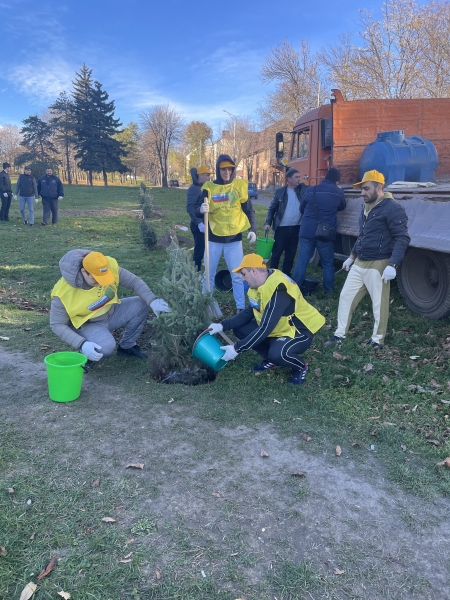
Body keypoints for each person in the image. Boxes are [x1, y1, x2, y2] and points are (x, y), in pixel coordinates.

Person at [207, 254, 325, 385]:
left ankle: (300, 366)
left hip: (298, 332)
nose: (242, 279)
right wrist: (222, 326)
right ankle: (270, 359)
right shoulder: (259, 284)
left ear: (254, 271)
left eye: (244, 274)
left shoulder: (279, 290)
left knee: (278, 354)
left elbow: (265, 328)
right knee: (240, 329)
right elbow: (249, 312)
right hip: (278, 328)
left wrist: (236, 349)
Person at [325, 170, 410, 349]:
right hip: (359, 263)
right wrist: (351, 257)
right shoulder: (366, 207)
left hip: (378, 264)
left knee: (379, 305)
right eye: (361, 189)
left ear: (379, 188)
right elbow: (362, 235)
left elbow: (402, 237)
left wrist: (393, 264)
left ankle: (377, 340)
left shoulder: (392, 208)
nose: (362, 193)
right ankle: (339, 335)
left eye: (365, 189)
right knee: (345, 297)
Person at [50, 249, 171, 362]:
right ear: (83, 272)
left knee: (143, 303)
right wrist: (81, 343)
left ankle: (127, 346)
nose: (100, 283)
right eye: (95, 279)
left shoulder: (108, 266)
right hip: (88, 324)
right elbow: (57, 324)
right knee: (106, 347)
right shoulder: (63, 293)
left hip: (111, 312)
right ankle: (86, 351)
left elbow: (134, 281)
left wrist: (152, 300)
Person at [198, 154, 257, 311]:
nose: (227, 173)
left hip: (234, 240)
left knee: (237, 276)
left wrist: (252, 229)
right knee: (208, 275)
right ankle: (206, 306)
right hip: (213, 239)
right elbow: (197, 210)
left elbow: (249, 210)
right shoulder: (209, 187)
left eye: (230, 169)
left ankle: (240, 308)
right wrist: (200, 210)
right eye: (223, 169)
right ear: (218, 169)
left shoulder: (239, 186)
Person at [293, 167, 346, 294]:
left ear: (325, 177)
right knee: (327, 263)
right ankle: (328, 292)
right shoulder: (338, 192)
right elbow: (342, 206)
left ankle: (295, 290)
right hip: (325, 233)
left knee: (302, 261)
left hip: (307, 231)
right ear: (337, 181)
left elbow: (302, 209)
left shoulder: (311, 190)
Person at [264, 167, 307, 277]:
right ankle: (272, 275)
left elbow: (315, 189)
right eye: (296, 177)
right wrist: (268, 222)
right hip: (282, 228)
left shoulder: (302, 189)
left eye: (299, 177)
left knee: (291, 254)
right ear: (289, 179)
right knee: (277, 253)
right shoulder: (280, 192)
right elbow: (272, 208)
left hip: (296, 227)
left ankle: (285, 276)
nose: (299, 179)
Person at [186, 165, 213, 271]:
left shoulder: (206, 187)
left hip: (207, 223)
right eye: (207, 175)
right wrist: (199, 223)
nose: (209, 178)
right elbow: (190, 208)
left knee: (208, 249)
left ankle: (206, 270)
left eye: (209, 175)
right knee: (199, 250)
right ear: (200, 176)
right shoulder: (193, 189)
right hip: (198, 226)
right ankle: (196, 272)